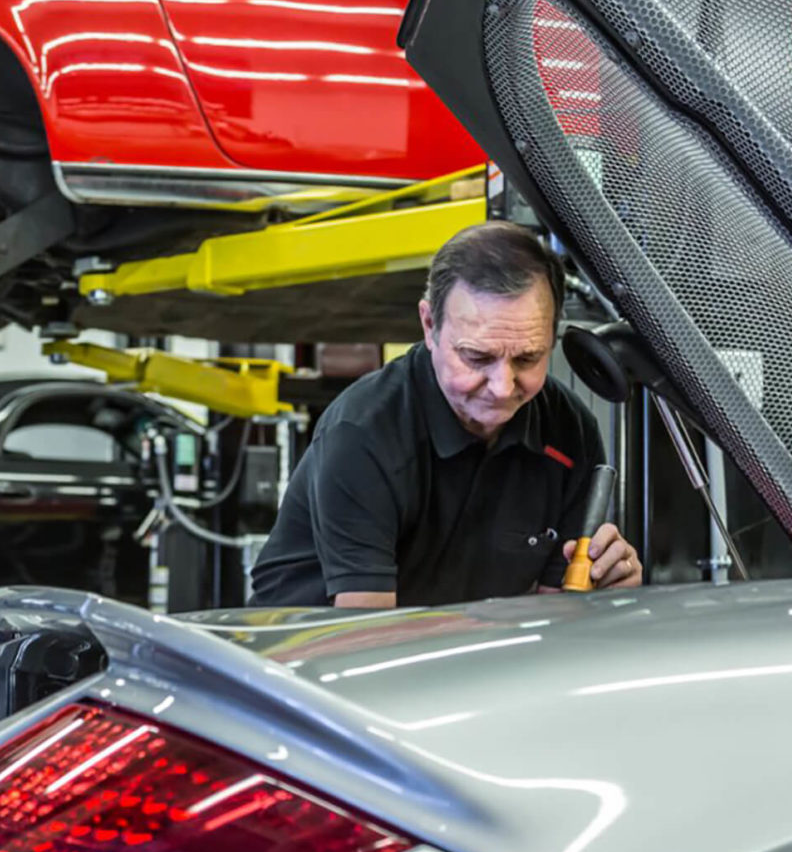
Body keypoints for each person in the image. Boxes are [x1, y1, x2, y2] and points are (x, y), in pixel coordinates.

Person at [249, 221, 642, 608]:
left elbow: (554, 619)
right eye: (477, 357)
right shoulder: (363, 434)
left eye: (528, 358)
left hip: (455, 653)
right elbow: (364, 641)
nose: (503, 386)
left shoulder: (568, 431)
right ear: (429, 325)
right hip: (306, 657)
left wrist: (604, 597)